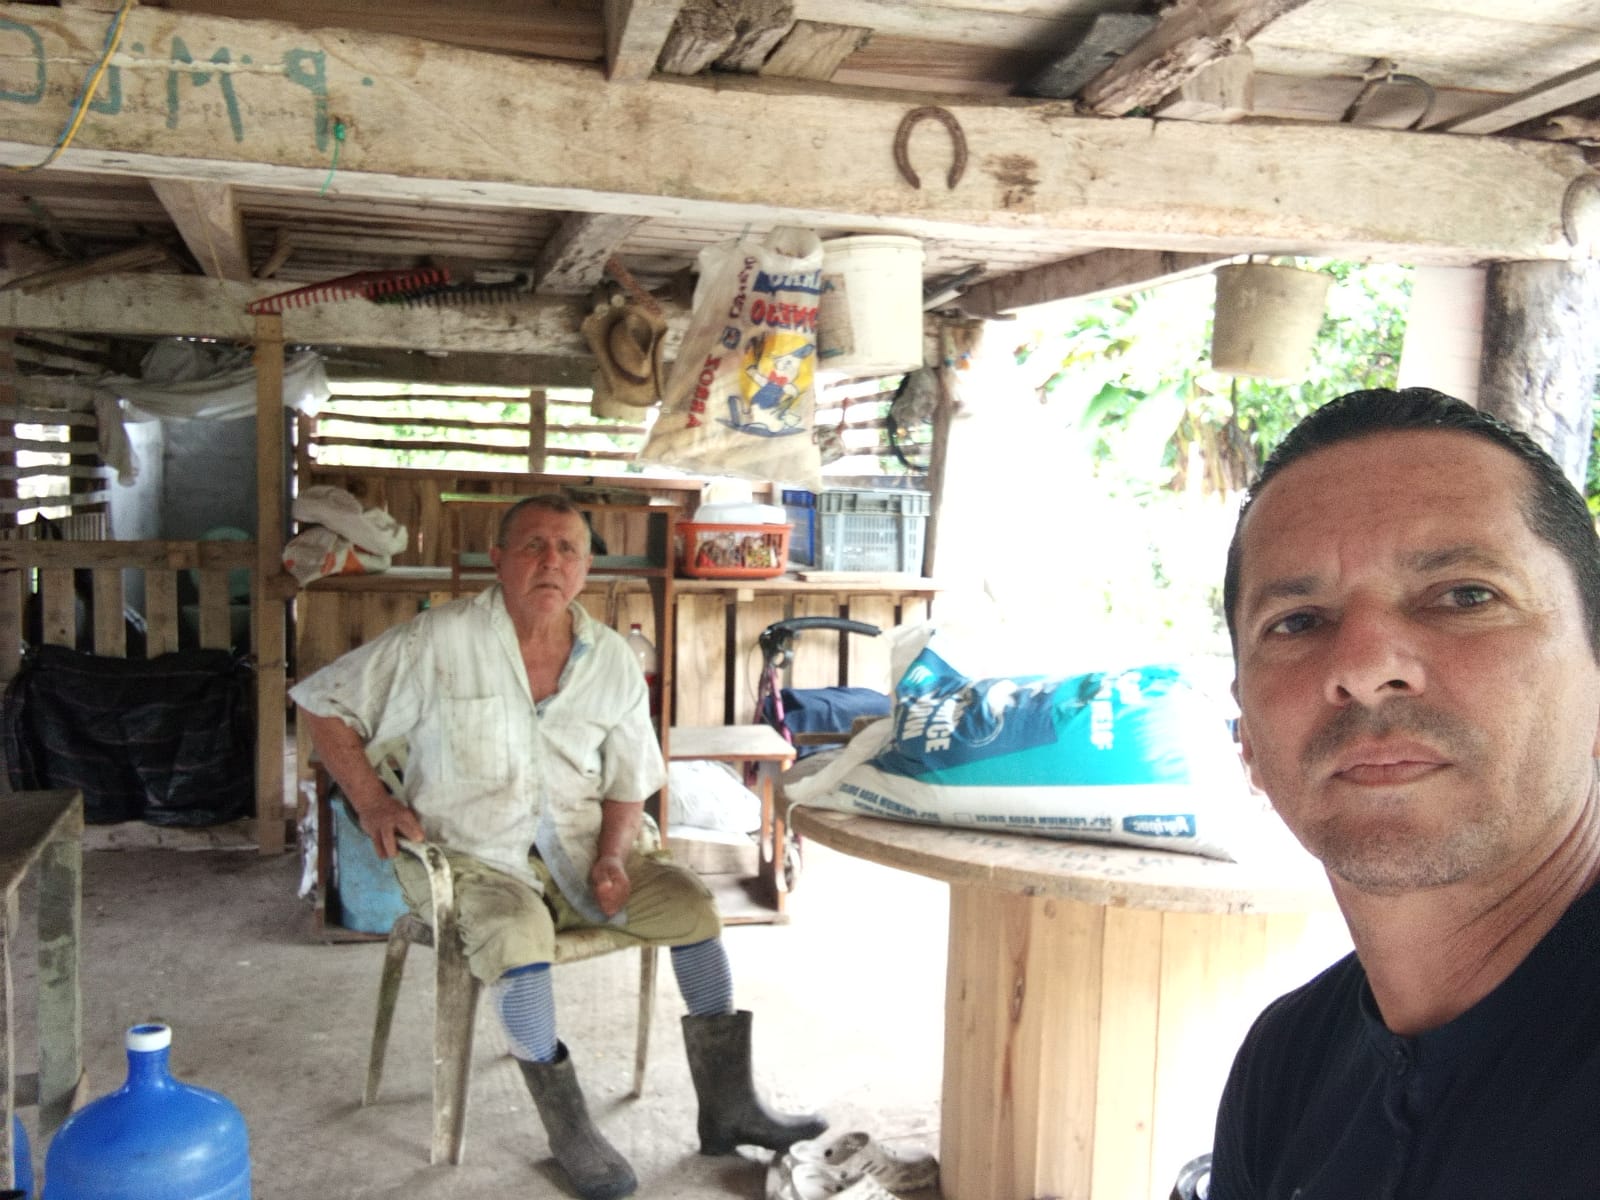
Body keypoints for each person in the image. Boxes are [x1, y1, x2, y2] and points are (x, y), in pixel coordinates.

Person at [293, 494, 825, 1200]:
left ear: (586, 567)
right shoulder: (439, 639)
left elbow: (630, 780)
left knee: (692, 908)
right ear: (498, 560)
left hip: (579, 852)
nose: (551, 561)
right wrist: (373, 802)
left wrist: (612, 856)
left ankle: (728, 1109)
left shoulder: (610, 660)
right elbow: (322, 702)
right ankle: (570, 1131)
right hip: (471, 857)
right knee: (519, 935)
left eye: (567, 549)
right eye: (533, 546)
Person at [1210, 386, 1600, 1197]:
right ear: (1247, 738)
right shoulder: (1286, 1067)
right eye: (1298, 621)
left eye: (1465, 595)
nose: (1363, 666)